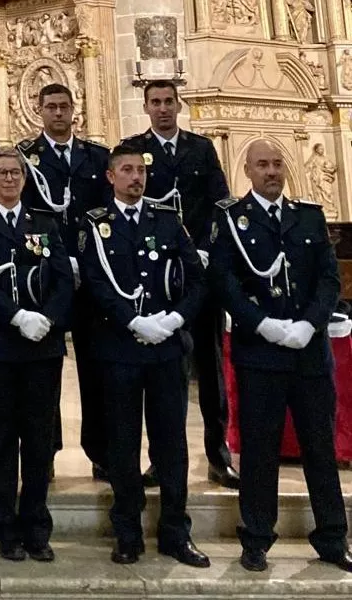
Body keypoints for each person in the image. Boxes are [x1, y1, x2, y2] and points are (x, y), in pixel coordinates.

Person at [209, 140, 352, 573]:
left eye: (276, 164)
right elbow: (225, 282)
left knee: (320, 449)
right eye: (262, 165)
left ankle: (331, 537)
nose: (271, 172)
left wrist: (310, 324)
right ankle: (256, 537)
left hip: (308, 356)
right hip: (260, 357)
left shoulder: (307, 216)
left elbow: (328, 279)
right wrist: (263, 325)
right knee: (259, 450)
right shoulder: (232, 220)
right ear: (247, 171)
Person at [78, 145, 209, 568]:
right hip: (120, 351)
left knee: (171, 445)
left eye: (140, 171)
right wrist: (133, 323)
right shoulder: (96, 226)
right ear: (110, 177)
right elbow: (95, 284)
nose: (136, 177)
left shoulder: (168, 222)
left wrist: (172, 320)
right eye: (127, 171)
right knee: (123, 444)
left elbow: (196, 281)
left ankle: (175, 532)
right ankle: (128, 533)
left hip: (167, 352)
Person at [120, 80, 238, 489]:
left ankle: (218, 454)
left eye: (169, 101)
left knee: (209, 368)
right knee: (159, 372)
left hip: (198, 272)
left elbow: (220, 200)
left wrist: (206, 248)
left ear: (178, 104)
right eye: (156, 102)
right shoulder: (134, 150)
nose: (163, 108)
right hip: (154, 275)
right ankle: (159, 459)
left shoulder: (200, 148)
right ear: (146, 107)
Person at [0, 147, 72, 562]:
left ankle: (37, 527)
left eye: (15, 173)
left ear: (24, 178)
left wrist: (47, 318)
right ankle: (5, 527)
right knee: (1, 441)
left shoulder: (44, 223)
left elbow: (63, 279)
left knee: (40, 442)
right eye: (1, 172)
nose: (9, 179)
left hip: (41, 347)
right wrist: (17, 316)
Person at [18, 84, 110, 481]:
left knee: (97, 368)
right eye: (50, 107)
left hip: (92, 274)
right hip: (46, 276)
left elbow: (106, 214)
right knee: (43, 371)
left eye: (63, 106)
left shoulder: (97, 156)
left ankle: (101, 451)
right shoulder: (27, 158)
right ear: (38, 111)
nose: (57, 113)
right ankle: (46, 450)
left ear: (75, 109)